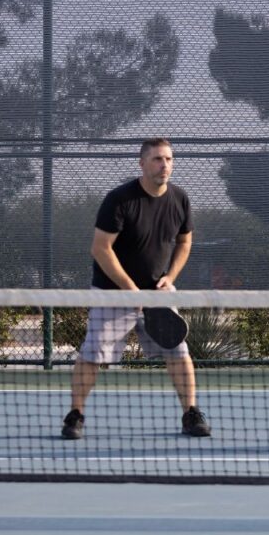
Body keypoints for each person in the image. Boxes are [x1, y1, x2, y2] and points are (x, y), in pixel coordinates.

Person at [61, 138, 211, 440]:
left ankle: (191, 413)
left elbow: (185, 242)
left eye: (168, 159)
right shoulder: (119, 200)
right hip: (113, 292)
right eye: (157, 159)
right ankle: (75, 415)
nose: (164, 165)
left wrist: (170, 277)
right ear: (142, 163)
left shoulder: (180, 199)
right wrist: (130, 290)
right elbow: (101, 249)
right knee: (92, 354)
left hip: (157, 293)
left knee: (179, 352)